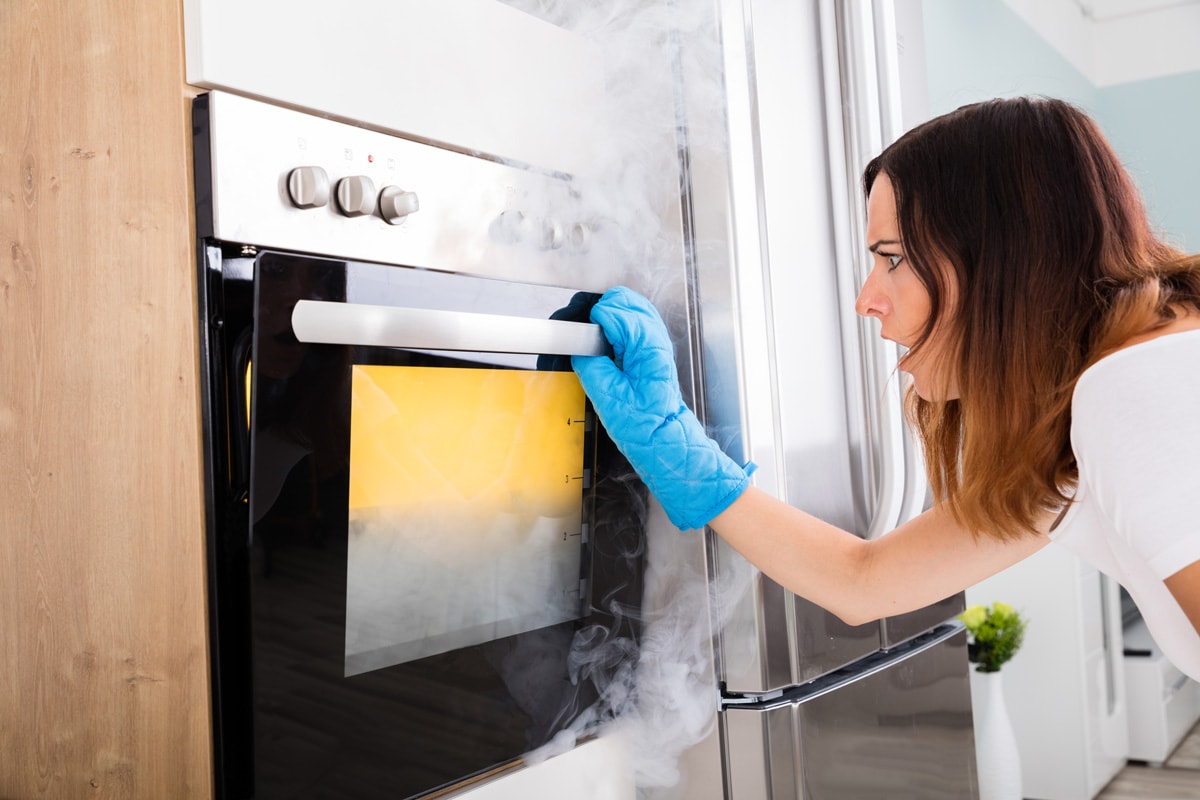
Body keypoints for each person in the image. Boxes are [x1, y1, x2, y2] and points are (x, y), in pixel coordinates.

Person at [571, 96, 1200, 681]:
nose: (866, 300)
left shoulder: (1133, 387)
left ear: (1005, 256)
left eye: (892, 258)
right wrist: (680, 453)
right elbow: (864, 582)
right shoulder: (1084, 404)